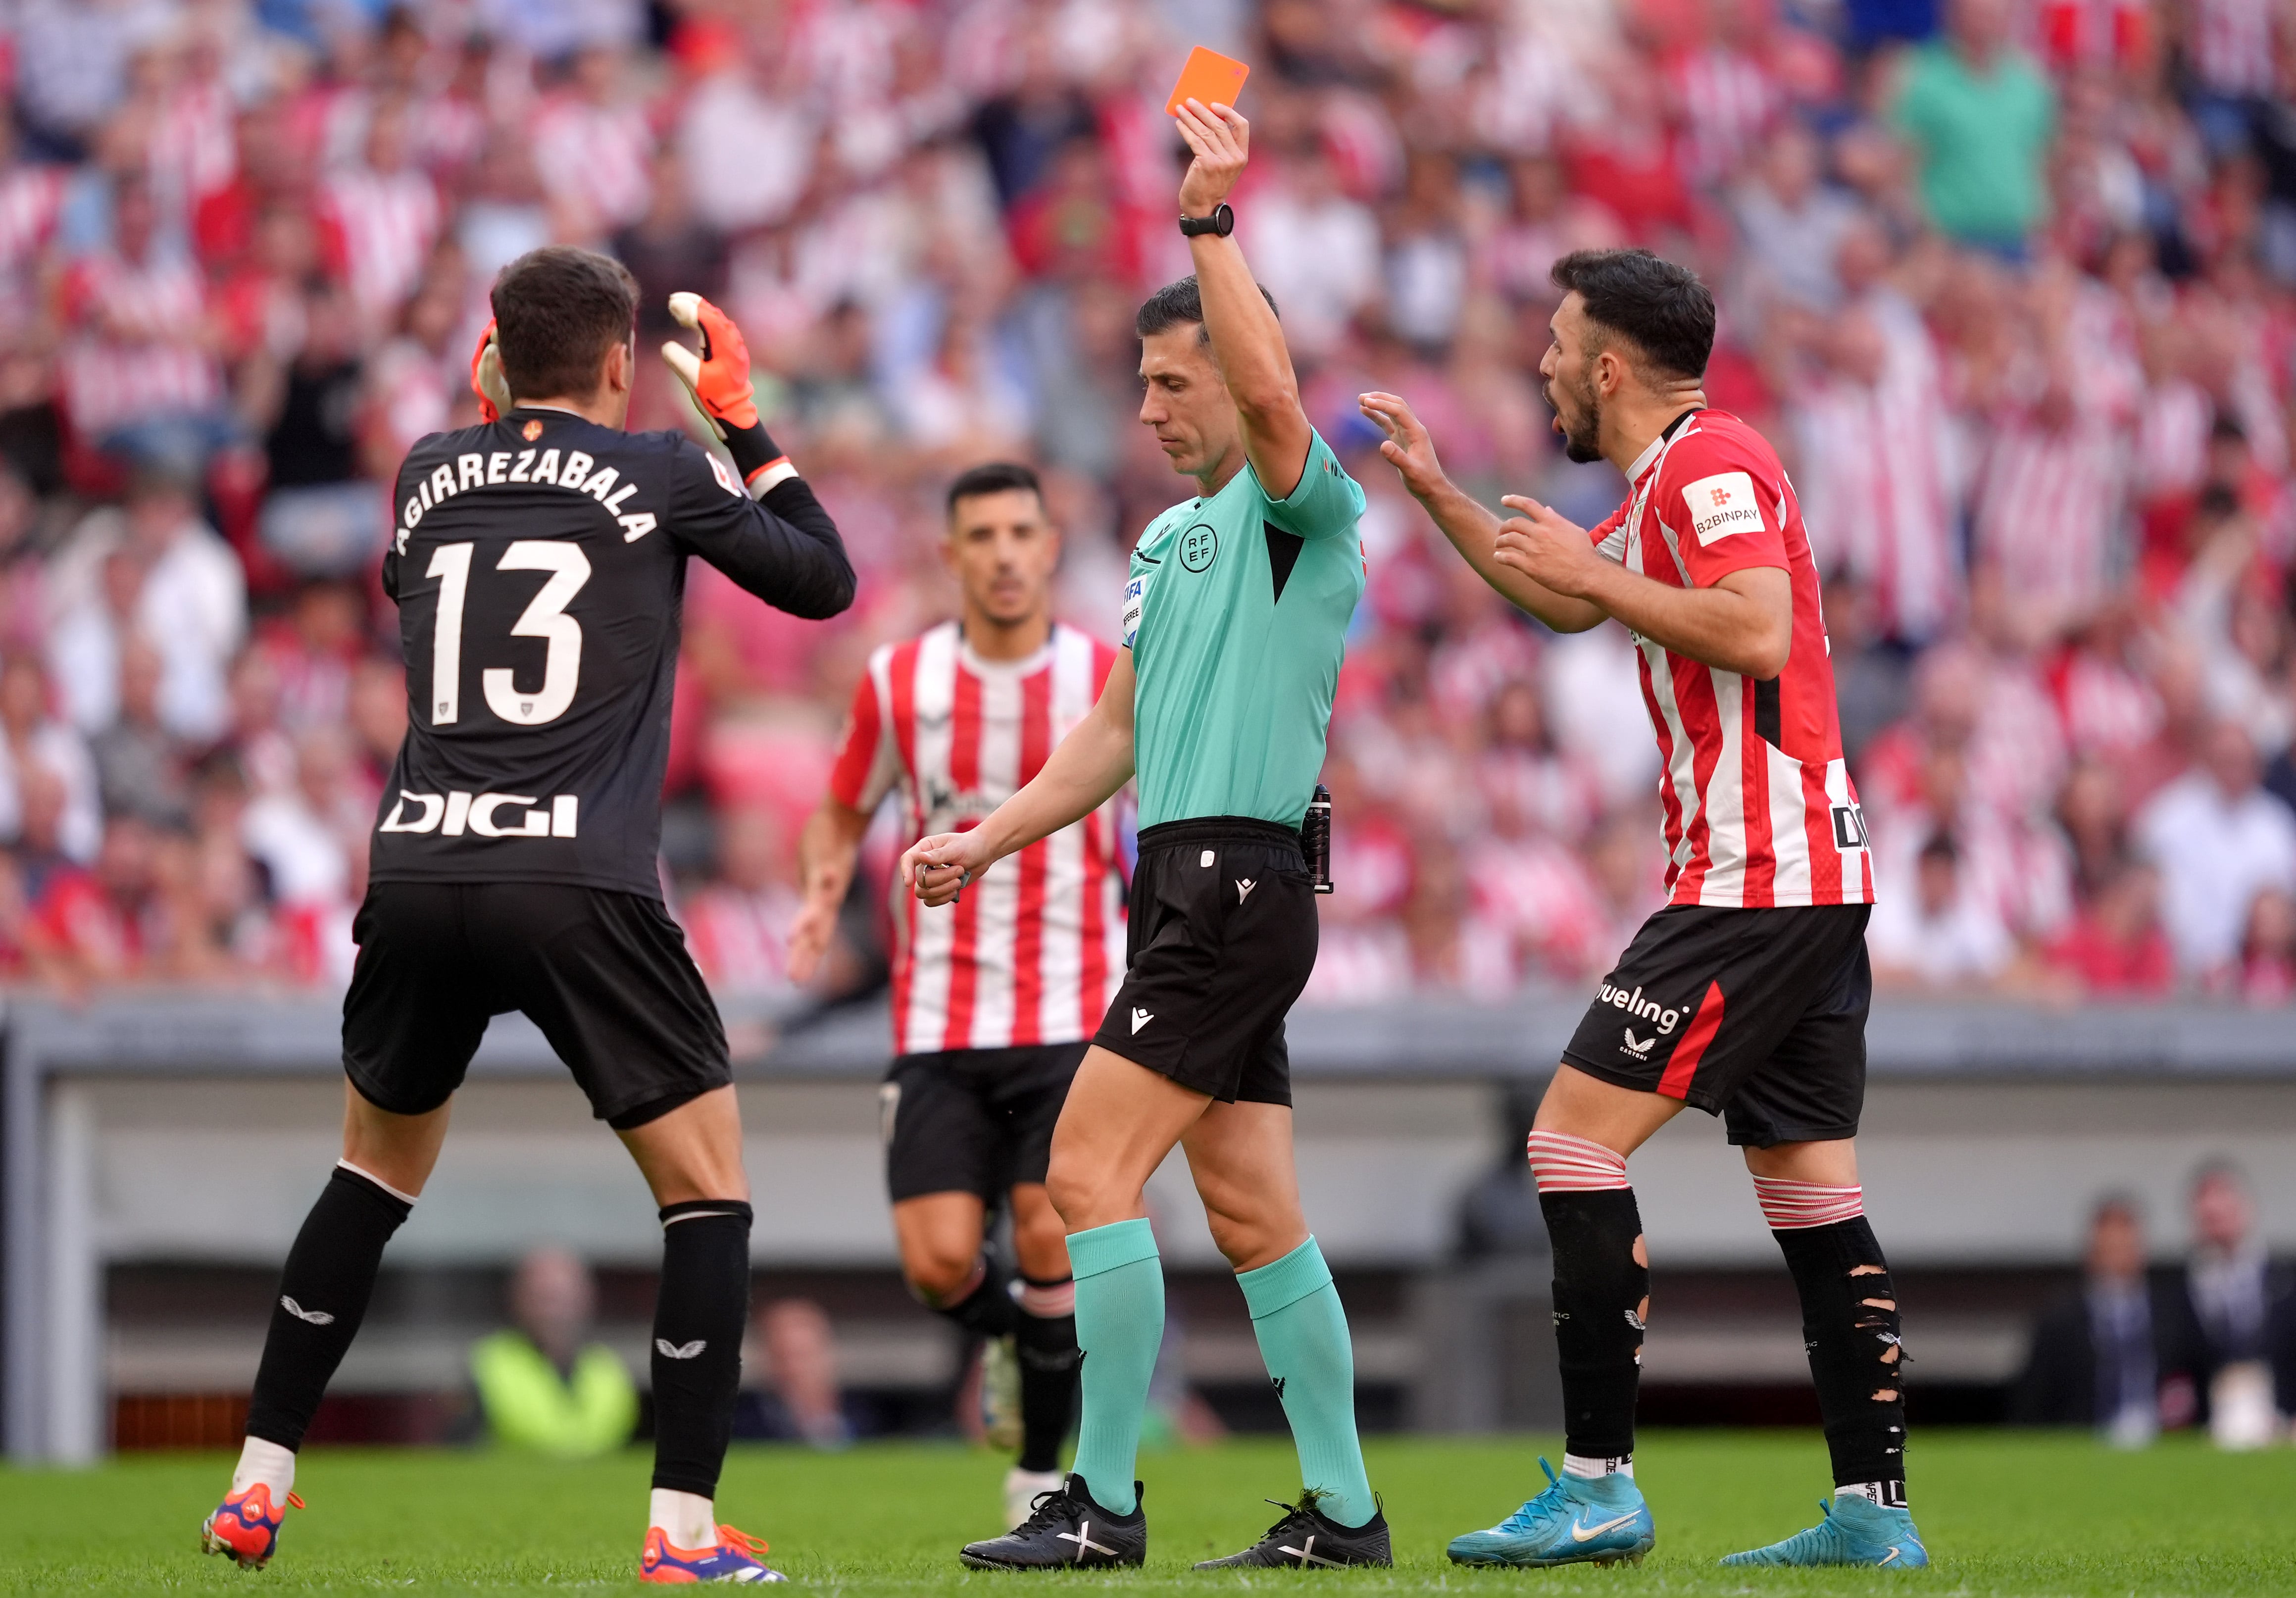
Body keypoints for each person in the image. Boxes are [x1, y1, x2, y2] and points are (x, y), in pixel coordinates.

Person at [200, 246, 854, 1584]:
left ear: (493, 357)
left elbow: (425, 573)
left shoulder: (425, 470)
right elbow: (820, 579)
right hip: (578, 877)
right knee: (706, 1191)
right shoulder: (661, 469)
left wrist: (492, 418)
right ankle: (679, 1531)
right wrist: (743, 425)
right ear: (624, 361)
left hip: (423, 867)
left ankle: (256, 1486)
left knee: (371, 1173)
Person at [1361, 248, 1924, 1570]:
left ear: (1608, 365)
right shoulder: (1670, 471)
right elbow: (1567, 600)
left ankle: (1598, 1482)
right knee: (1805, 1189)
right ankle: (1866, 1513)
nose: (1544, 365)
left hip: (1750, 876)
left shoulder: (1710, 464)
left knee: (1567, 1139)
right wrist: (1439, 491)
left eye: (1557, 344)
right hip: (1805, 878)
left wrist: (1598, 574)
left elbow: (1751, 630)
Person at [900, 99, 1390, 1572]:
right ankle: (1347, 1512)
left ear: (1243, 383)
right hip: (1186, 882)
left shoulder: (1304, 510)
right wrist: (986, 837)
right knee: (1247, 1210)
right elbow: (1115, 736)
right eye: (1140, 382)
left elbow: (1274, 392)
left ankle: (1101, 1501)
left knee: (1081, 1176)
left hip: (1235, 882)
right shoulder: (1168, 546)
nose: (1150, 406)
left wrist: (1208, 222)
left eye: (1174, 380)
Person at [784, 459, 1122, 1530]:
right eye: (984, 537)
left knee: (1044, 1239)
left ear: (1051, 546)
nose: (1007, 555)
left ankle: (1037, 1476)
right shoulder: (901, 683)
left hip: (1072, 1015)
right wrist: (821, 884)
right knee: (937, 1267)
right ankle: (1019, 1348)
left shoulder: (1109, 678)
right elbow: (841, 810)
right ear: (953, 555)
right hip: (937, 1021)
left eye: (1024, 532)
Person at [2011, 1196, 2198, 1442]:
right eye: (2108, 1247)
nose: (2117, 1254)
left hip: (2158, 1441)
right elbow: (2032, 1400)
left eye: (2125, 1245)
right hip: (2085, 1445)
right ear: (2091, 1252)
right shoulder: (2060, 1320)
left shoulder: (2174, 1315)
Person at [470, 1247, 639, 1458]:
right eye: (543, 1298)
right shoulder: (488, 1364)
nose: (553, 1312)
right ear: (517, 1299)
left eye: (562, 1297)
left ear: (587, 1299)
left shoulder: (609, 1369)